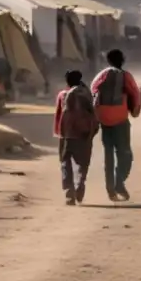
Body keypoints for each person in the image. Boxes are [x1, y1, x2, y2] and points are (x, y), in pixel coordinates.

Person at [91, 48, 141, 202]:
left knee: (108, 155)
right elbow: (135, 95)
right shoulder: (126, 76)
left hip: (104, 121)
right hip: (120, 120)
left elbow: (93, 92)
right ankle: (119, 182)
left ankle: (110, 189)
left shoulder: (100, 76)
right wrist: (134, 111)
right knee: (125, 154)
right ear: (123, 60)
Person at [54, 69, 98, 204]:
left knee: (65, 162)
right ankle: (80, 184)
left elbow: (58, 117)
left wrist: (60, 134)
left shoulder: (62, 95)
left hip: (67, 135)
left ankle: (69, 193)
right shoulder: (87, 94)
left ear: (67, 81)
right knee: (83, 163)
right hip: (84, 133)